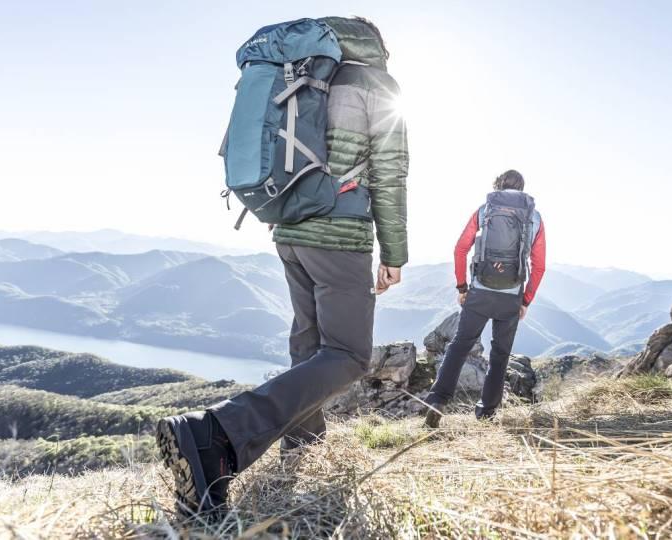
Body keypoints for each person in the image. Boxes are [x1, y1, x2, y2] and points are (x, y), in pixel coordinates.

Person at [156, 16, 408, 517]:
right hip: (338, 235)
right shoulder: (375, 84)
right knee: (349, 354)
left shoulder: (302, 72)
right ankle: (217, 435)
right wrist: (394, 254)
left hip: (289, 230)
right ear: (377, 45)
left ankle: (304, 449)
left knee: (309, 341)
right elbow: (390, 172)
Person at [424, 170, 545, 427]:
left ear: (498, 186)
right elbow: (539, 265)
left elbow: (460, 249)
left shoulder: (484, 211)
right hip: (511, 297)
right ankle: (487, 413)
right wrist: (525, 300)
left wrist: (462, 287)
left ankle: (437, 400)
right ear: (522, 189)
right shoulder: (534, 218)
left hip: (479, 291)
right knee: (500, 355)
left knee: (459, 346)